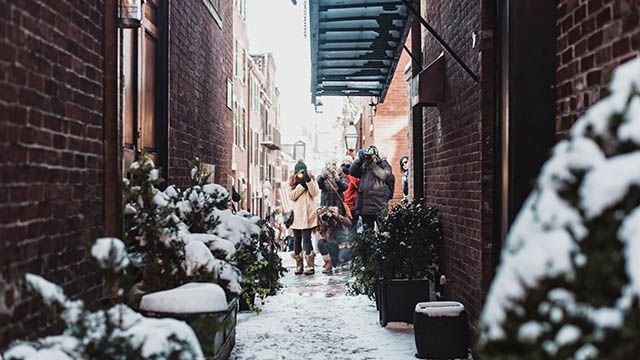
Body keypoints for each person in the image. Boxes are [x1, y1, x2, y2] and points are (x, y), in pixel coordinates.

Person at [350, 146, 393, 230]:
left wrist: (372, 164)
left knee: (383, 232)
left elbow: (384, 175)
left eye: (373, 155)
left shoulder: (384, 165)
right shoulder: (364, 166)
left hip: (379, 205)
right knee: (367, 234)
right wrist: (360, 159)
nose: (371, 158)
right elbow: (352, 171)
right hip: (365, 207)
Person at [288, 160, 319, 275]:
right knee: (297, 240)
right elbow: (292, 196)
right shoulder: (293, 181)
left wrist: (308, 181)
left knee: (307, 239)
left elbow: (315, 193)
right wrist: (301, 185)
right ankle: (299, 265)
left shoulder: (311, 179)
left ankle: (310, 265)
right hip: (297, 216)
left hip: (309, 215)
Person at [315, 207, 352, 273]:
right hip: (334, 246)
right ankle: (329, 263)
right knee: (321, 242)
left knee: (342, 259)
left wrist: (337, 216)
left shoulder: (341, 220)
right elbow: (326, 239)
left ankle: (343, 262)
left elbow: (349, 224)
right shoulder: (325, 223)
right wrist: (325, 225)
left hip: (343, 246)